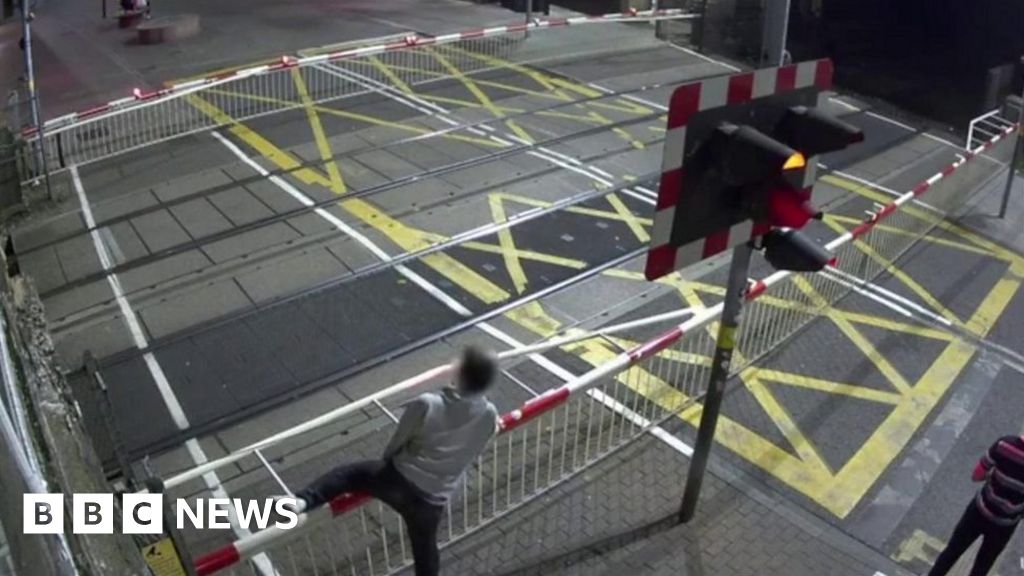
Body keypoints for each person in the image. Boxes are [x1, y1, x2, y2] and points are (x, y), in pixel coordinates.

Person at [290, 347, 500, 576]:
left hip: (399, 480)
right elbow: (476, 447)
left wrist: (386, 464)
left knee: (349, 475)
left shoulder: (428, 403)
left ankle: (302, 501)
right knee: (425, 550)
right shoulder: (489, 414)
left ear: (461, 373)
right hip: (433, 500)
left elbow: (398, 441)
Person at [928, 434, 1024, 576]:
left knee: (951, 553)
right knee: (981, 568)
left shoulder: (1004, 445)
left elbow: (977, 475)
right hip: (1005, 525)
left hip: (979, 511)